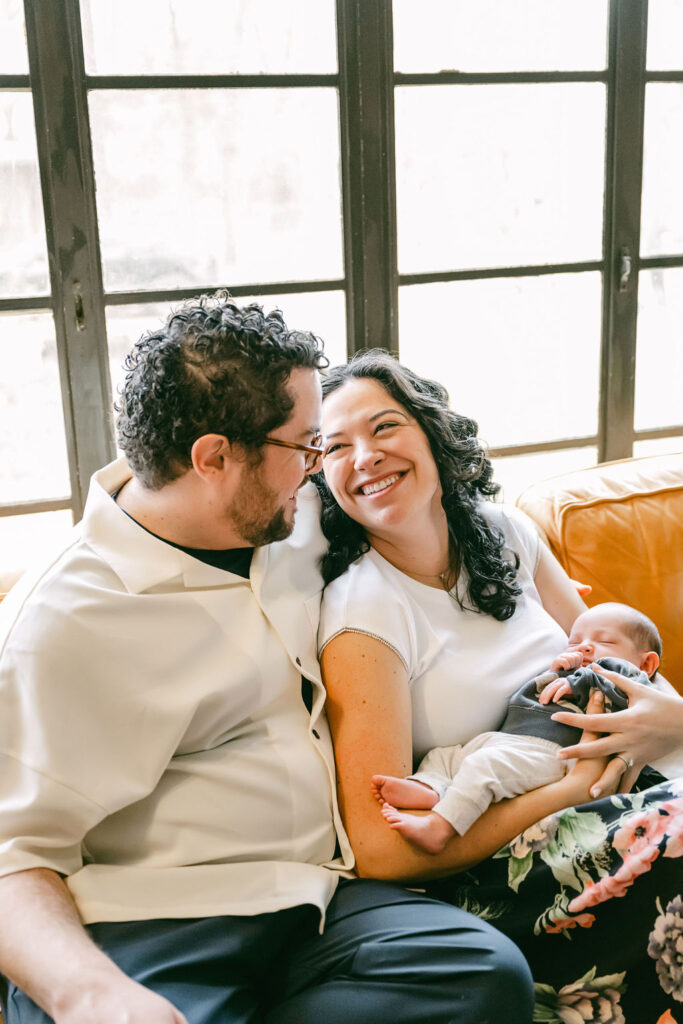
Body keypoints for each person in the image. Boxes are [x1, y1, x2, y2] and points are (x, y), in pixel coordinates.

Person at [0, 300, 537, 1024]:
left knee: (484, 974)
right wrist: (87, 992)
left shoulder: (287, 513)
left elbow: (427, 500)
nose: (323, 468)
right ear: (213, 457)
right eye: (308, 445)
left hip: (314, 895)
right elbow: (11, 854)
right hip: (153, 919)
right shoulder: (61, 623)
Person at [314, 349, 683, 1023]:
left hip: (619, 803)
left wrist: (672, 725)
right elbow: (379, 849)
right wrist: (567, 790)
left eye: (384, 427)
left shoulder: (505, 533)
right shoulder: (362, 613)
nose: (363, 456)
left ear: (432, 433)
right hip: (493, 871)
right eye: (334, 446)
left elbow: (608, 667)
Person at [372, 602, 666, 853]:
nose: (584, 647)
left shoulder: (635, 686)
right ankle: (432, 789)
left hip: (554, 753)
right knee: (444, 756)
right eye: (575, 641)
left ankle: (440, 826)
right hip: (508, 740)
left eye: (605, 642)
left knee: (485, 767)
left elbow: (617, 684)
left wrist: (580, 678)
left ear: (647, 664)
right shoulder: (563, 670)